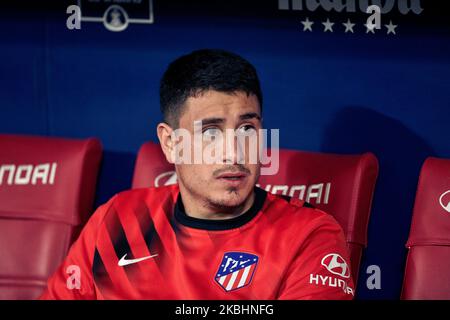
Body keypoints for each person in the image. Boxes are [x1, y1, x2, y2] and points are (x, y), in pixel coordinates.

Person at [40, 49, 354, 299]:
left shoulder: (310, 235)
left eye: (247, 129)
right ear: (170, 143)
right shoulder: (117, 219)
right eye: (210, 132)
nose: (234, 152)